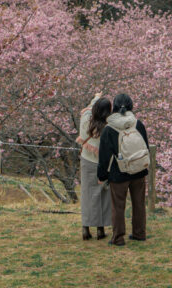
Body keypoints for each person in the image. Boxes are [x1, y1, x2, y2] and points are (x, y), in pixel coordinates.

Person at [97, 92, 150, 247]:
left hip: (118, 173)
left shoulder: (109, 129)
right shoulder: (138, 124)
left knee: (118, 206)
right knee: (139, 203)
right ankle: (140, 233)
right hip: (139, 171)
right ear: (131, 105)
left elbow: (104, 157)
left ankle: (118, 238)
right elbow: (145, 146)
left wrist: (102, 175)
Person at [76, 92, 112, 241]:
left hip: (86, 161)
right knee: (103, 195)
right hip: (102, 164)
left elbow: (90, 108)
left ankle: (85, 227)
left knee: (87, 194)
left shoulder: (86, 120)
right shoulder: (109, 127)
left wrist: (96, 97)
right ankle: (100, 229)